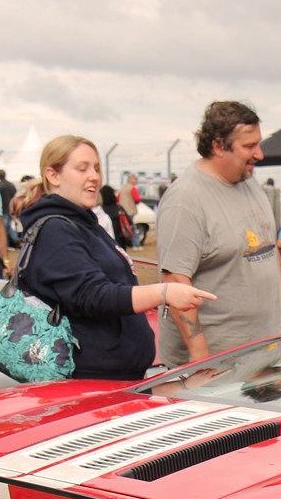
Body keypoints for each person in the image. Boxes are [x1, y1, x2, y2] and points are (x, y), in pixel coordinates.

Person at [19, 136, 213, 380]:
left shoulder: (82, 223)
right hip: (91, 380)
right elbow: (92, 295)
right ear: (53, 175)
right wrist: (164, 293)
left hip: (116, 375)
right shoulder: (57, 229)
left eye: (97, 168)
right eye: (82, 168)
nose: (94, 176)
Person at [157, 100, 281, 368]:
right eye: (248, 146)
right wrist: (200, 359)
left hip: (263, 353)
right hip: (218, 366)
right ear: (218, 146)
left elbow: (269, 248)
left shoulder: (249, 182)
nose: (259, 155)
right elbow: (175, 280)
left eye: (258, 143)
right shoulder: (186, 200)